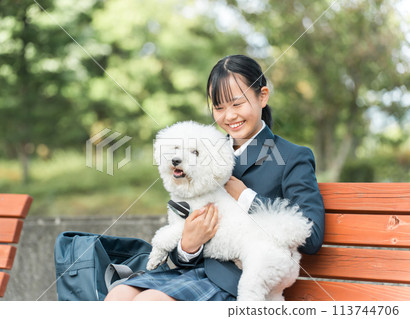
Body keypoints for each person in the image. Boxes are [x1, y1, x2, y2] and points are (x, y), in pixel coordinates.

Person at [105, 54, 325, 301]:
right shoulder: (203, 149)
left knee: (149, 303)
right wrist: (188, 246)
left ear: (262, 96)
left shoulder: (292, 156)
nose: (229, 116)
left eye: (237, 104)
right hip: (190, 271)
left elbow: (313, 235)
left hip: (237, 280)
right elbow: (186, 229)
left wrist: (243, 195)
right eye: (219, 107)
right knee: (118, 296)